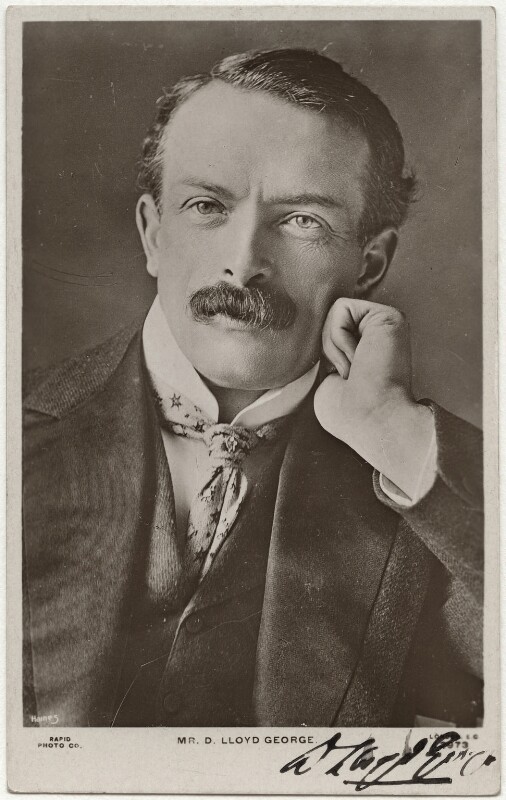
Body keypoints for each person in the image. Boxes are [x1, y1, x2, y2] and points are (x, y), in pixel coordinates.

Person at [22, 47, 483, 728]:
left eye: (303, 221)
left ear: (370, 263)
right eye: (207, 205)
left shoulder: (429, 482)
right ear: (152, 234)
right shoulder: (19, 434)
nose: (243, 264)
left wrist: (400, 436)